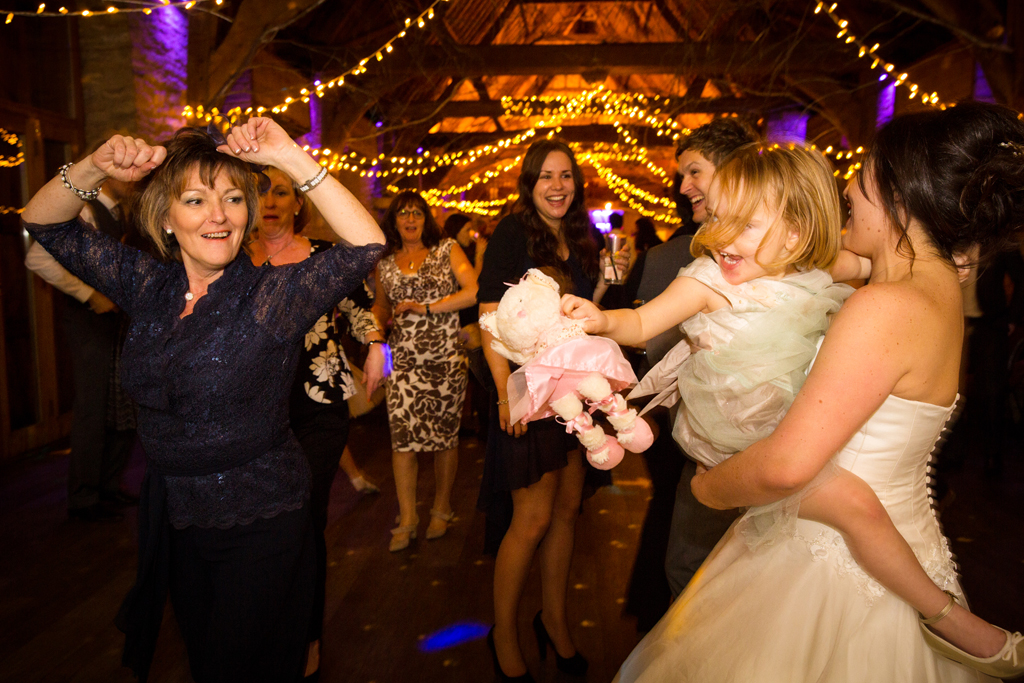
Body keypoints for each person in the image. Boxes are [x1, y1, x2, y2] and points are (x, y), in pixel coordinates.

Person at [612, 102, 1024, 682]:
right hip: (910, 538)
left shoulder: (883, 307)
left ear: (901, 199)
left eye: (863, 177)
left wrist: (707, 488)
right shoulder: (937, 287)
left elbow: (785, 466)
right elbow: (827, 262)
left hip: (825, 562)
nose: (848, 188)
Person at [21, 117, 385, 682]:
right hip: (178, 520)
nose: (218, 215)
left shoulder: (271, 298)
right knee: (204, 660)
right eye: (196, 200)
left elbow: (366, 244)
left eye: (234, 199)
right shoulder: (149, 287)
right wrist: (95, 166)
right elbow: (43, 222)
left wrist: (290, 156)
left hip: (262, 521)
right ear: (166, 217)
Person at [476, 139, 608, 682]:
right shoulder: (512, 233)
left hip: (574, 393)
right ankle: (502, 633)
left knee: (565, 516)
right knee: (529, 521)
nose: (558, 186)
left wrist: (605, 280)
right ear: (529, 184)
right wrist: (507, 392)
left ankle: (553, 621)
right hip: (528, 393)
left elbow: (586, 315)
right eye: (546, 177)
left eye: (566, 176)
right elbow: (488, 318)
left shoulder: (583, 236)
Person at [250, 165, 382, 679]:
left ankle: (306, 636)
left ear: (299, 202)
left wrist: (377, 349)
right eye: (260, 191)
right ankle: (263, 625)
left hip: (319, 406)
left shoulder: (325, 258)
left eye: (282, 190)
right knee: (263, 526)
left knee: (303, 519)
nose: (271, 200)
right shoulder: (232, 258)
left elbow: (364, 312)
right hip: (255, 412)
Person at [363, 191, 478, 551]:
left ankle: (442, 508)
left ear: (426, 219)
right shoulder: (385, 263)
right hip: (403, 359)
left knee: (445, 437)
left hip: (445, 355)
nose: (410, 219)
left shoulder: (447, 250)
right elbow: (381, 305)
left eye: (416, 213)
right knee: (403, 440)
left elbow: (474, 291)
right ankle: (408, 515)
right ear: (394, 222)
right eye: (403, 214)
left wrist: (428, 307)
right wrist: (375, 334)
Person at [25, 173, 138, 522]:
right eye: (127, 168)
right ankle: (83, 497)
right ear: (107, 172)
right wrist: (89, 294)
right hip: (88, 323)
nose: (135, 176)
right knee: (93, 408)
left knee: (123, 404)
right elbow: (37, 260)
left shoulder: (124, 213)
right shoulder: (83, 209)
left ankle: (107, 485)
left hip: (121, 323)